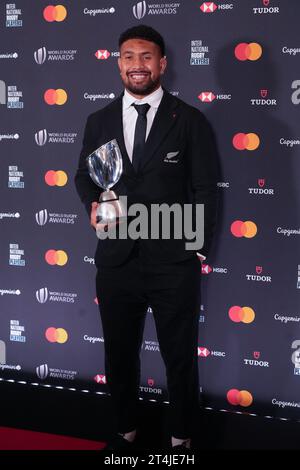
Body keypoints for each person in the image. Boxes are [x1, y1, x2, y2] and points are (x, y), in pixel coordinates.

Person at [75, 24, 218, 452]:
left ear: (162, 64)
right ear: (118, 63)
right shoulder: (98, 120)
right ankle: (124, 432)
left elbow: (205, 189)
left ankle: (181, 438)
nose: (138, 65)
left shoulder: (189, 119)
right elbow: (84, 175)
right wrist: (92, 205)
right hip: (117, 261)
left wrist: (196, 250)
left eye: (146, 57)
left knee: (179, 358)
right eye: (129, 57)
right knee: (119, 356)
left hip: (174, 262)